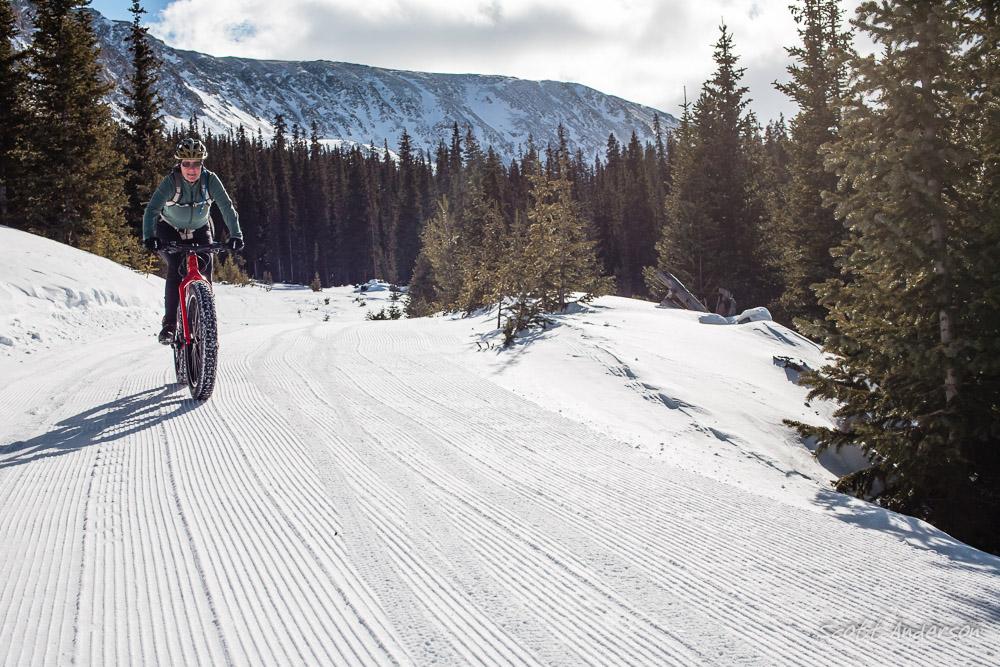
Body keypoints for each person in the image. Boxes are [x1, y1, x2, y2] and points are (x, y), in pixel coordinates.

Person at [142, 138, 244, 344]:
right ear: (179, 164)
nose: (191, 169)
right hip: (169, 229)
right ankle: (169, 325)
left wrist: (236, 235)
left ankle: (206, 318)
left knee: (206, 268)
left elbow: (226, 207)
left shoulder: (210, 180)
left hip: (200, 228)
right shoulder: (171, 182)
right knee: (176, 268)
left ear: (202, 164)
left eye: (196, 163)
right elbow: (152, 210)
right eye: (186, 164)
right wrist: (149, 237)